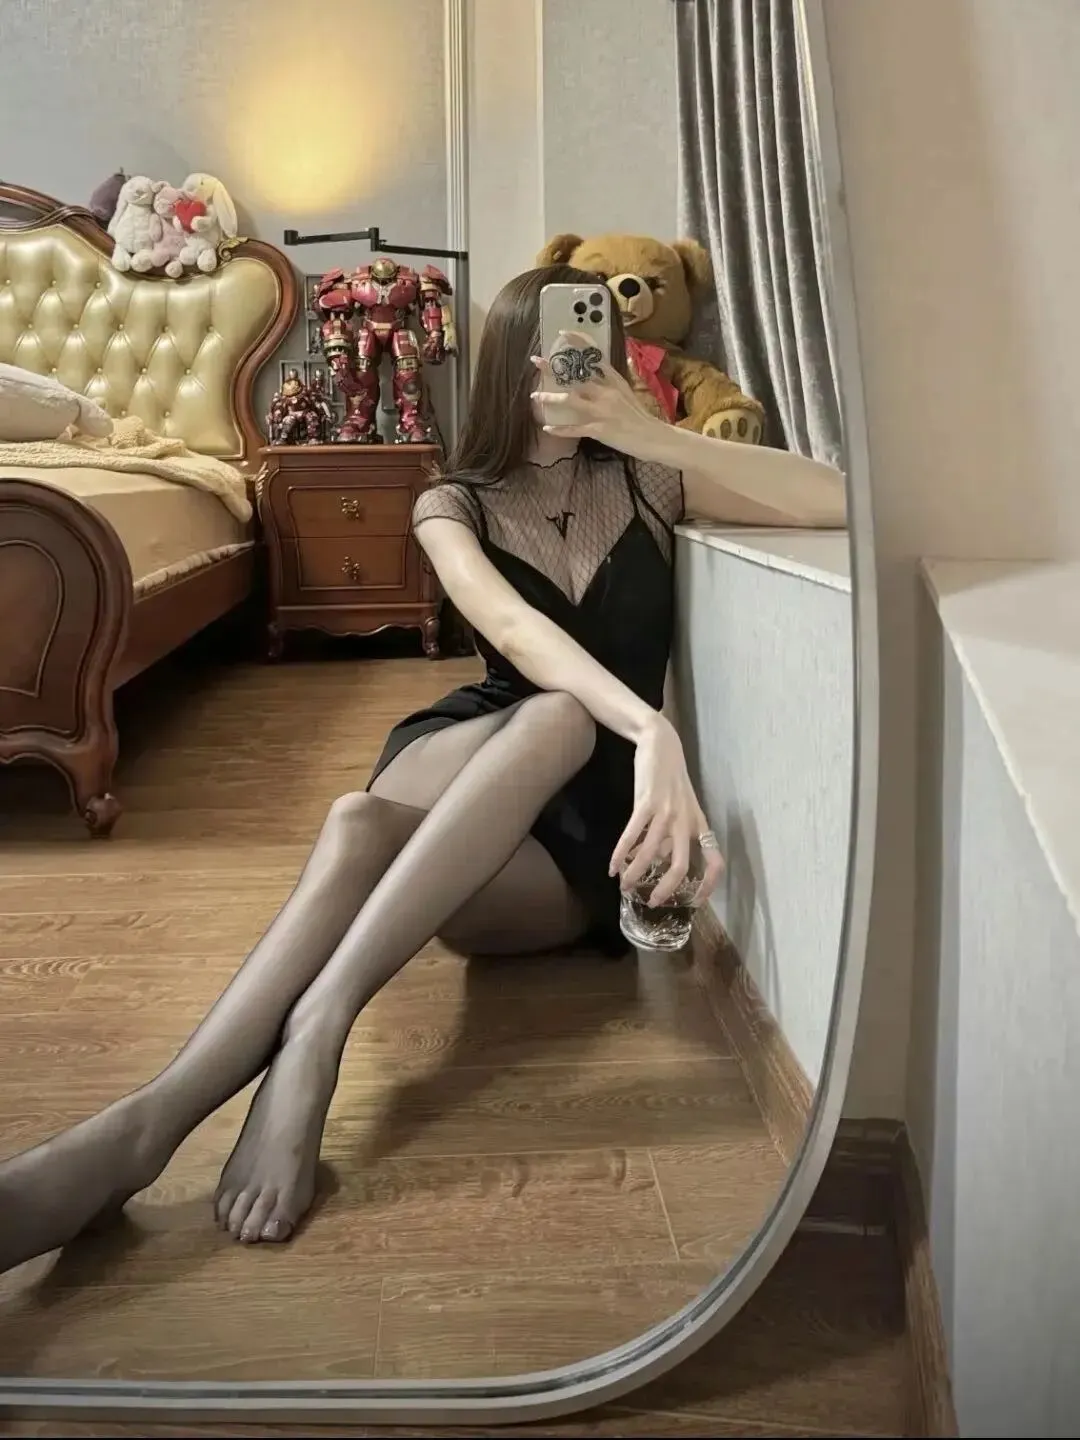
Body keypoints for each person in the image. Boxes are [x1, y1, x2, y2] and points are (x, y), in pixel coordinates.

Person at [0, 265, 846, 1274]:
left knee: (538, 735)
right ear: (508, 363)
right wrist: (651, 727)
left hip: (569, 841)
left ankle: (306, 1027)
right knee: (387, 801)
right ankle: (159, 1116)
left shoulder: (649, 482)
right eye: (548, 347)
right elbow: (511, 633)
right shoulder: (452, 501)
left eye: (592, 347)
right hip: (475, 755)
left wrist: (654, 434)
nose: (570, 364)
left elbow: (838, 501)